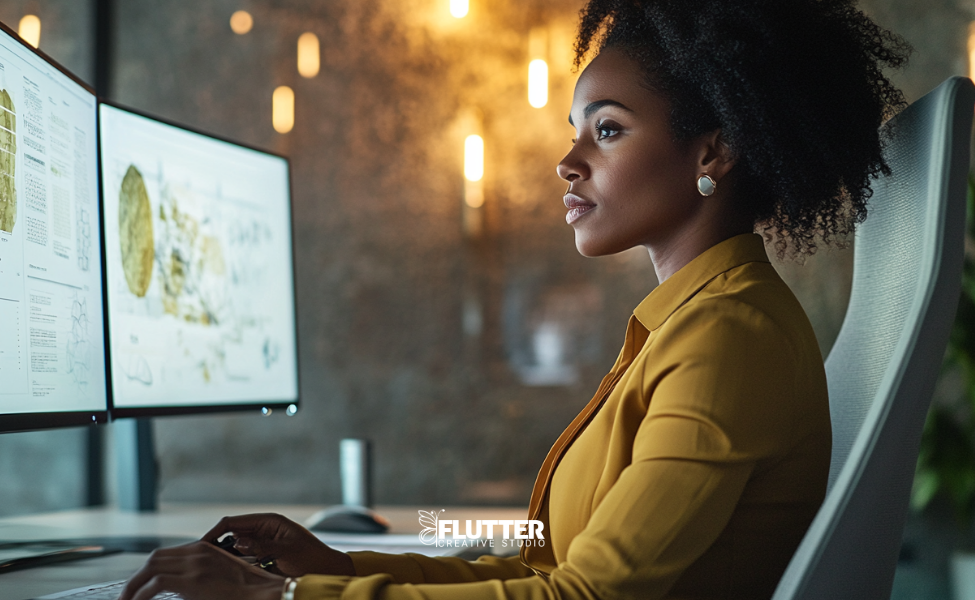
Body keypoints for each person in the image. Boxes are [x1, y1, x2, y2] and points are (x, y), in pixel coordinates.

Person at [118, 0, 910, 598]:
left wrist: (286, 595)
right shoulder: (696, 325)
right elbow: (550, 563)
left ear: (714, 150)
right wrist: (335, 564)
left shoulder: (727, 339)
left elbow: (580, 596)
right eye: (576, 130)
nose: (566, 162)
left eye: (605, 130)